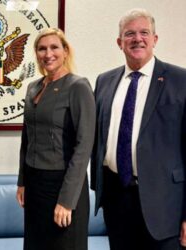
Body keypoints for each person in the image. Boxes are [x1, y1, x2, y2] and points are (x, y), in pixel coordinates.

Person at [91, 8, 186, 250]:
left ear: (155, 39)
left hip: (165, 205)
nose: (137, 38)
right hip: (116, 198)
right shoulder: (104, 81)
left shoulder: (180, 80)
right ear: (119, 42)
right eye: (129, 34)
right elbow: (98, 138)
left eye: (144, 32)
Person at [16, 27, 96, 250]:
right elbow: (27, 138)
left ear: (65, 51)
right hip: (34, 184)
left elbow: (84, 145)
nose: (47, 54)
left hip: (63, 184)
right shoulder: (33, 87)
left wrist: (67, 200)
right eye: (42, 49)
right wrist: (22, 181)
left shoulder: (78, 86)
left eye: (54, 47)